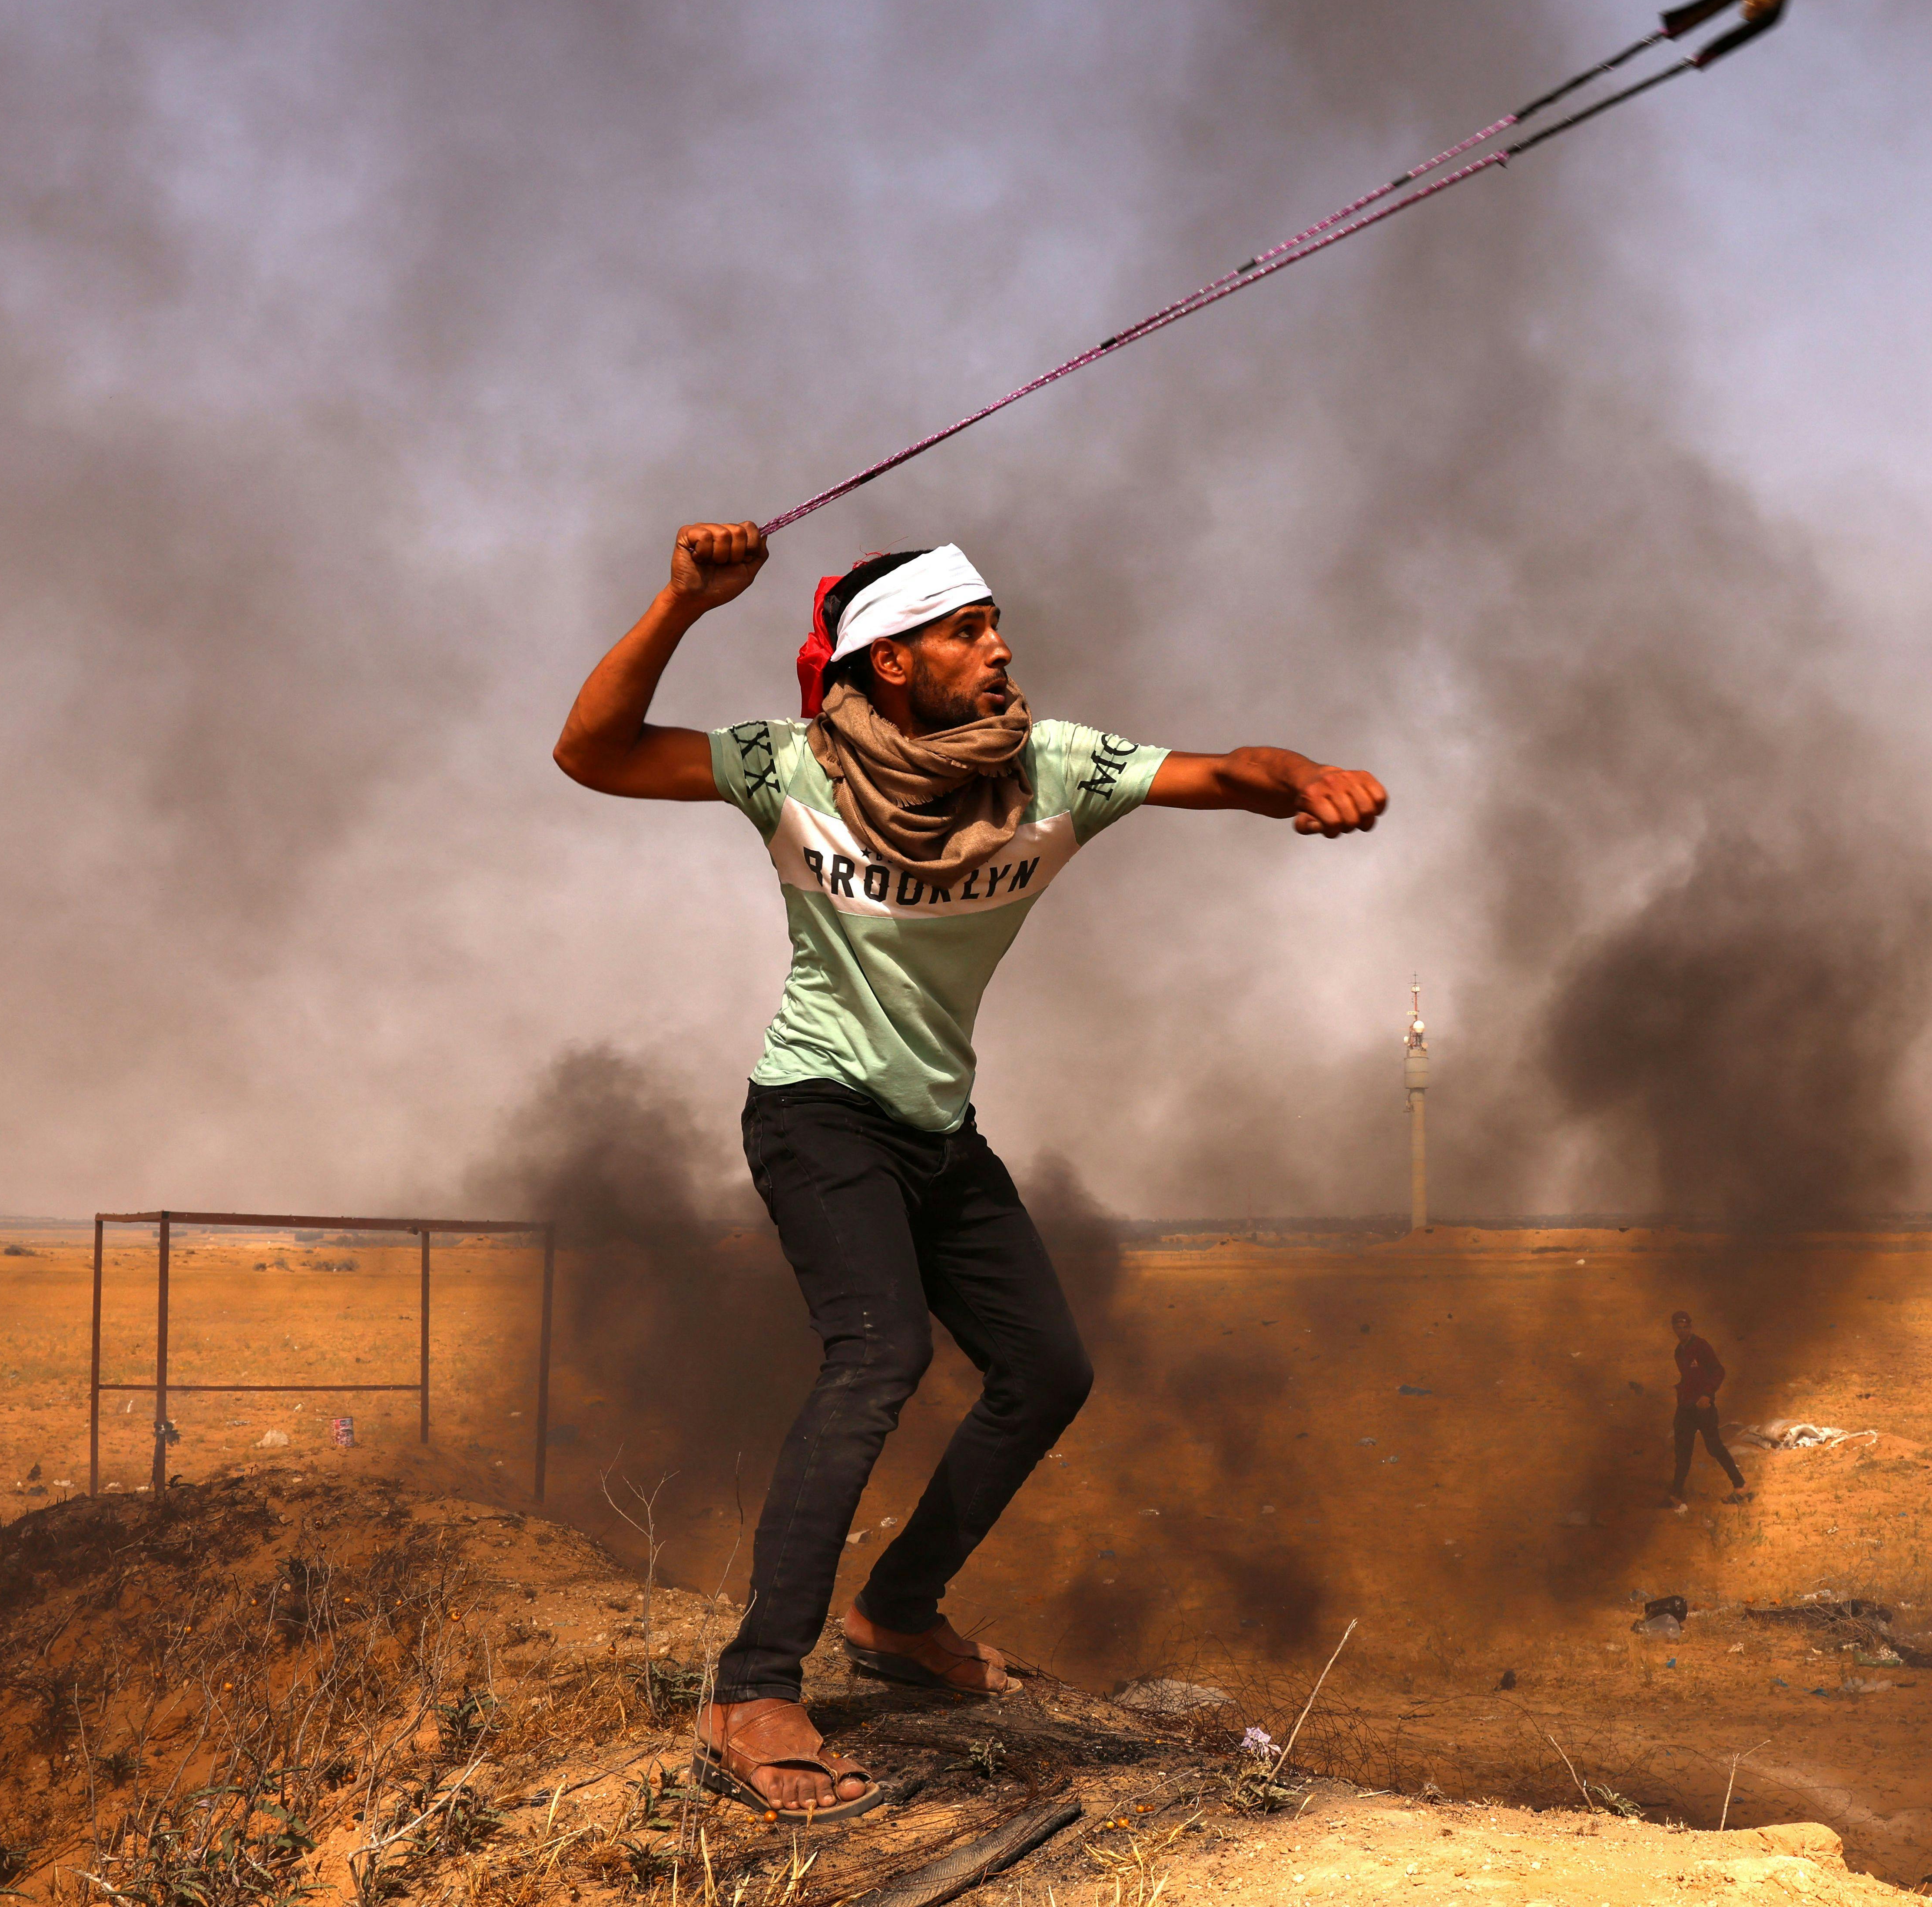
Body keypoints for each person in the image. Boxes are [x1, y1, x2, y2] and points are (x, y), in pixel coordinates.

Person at [553, 523, 1388, 1819]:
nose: (998, 648)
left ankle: (894, 1612)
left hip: (937, 1127)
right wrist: (677, 605)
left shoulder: (1049, 768)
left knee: (1047, 1368)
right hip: (817, 1112)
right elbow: (591, 753)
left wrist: (1303, 777)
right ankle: (753, 1683)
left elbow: (1228, 769)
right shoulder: (794, 766)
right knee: (876, 1351)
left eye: (995, 623)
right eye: (965, 630)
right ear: (890, 664)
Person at [1667, 1309, 1749, 1507]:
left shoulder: (1701, 1346)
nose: (1682, 1331)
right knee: (1683, 1452)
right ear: (1674, 1329)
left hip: (1704, 1408)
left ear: (1691, 1327)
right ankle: (1676, 1495)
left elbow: (1718, 1371)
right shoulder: (1679, 1351)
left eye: (1685, 1327)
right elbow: (1690, 1377)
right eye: (1678, 1328)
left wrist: (1707, 1394)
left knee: (1714, 1447)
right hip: (1687, 1408)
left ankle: (1741, 1486)